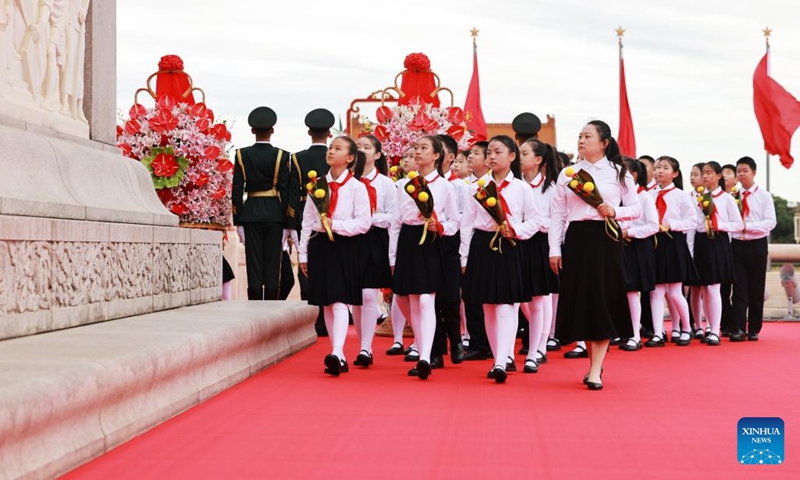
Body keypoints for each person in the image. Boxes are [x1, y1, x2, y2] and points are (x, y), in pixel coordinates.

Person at [549, 120, 641, 390]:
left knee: (602, 300)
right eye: (579, 136)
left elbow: (635, 209)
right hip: (576, 240)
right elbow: (558, 215)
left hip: (606, 240)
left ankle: (594, 370)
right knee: (585, 303)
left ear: (604, 143)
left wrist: (615, 211)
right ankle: (595, 365)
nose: (581, 140)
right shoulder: (568, 174)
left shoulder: (619, 173)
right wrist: (554, 249)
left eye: (588, 136)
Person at [461, 135, 539, 383]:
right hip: (483, 245)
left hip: (510, 244)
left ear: (512, 157)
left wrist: (516, 230)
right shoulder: (477, 187)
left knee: (506, 306)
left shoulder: (522, 188)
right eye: (490, 153)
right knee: (488, 307)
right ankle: (499, 357)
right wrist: (463, 256)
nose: (492, 157)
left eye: (498, 152)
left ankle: (501, 361)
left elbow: (535, 220)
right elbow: (467, 223)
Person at [299, 136, 371, 376]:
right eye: (330, 148)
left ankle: (338, 351)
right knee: (327, 302)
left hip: (345, 245)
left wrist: (335, 224)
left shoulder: (357, 187)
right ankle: (336, 353)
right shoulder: (316, 185)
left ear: (349, 158)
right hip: (320, 245)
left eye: (337, 148)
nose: (331, 152)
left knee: (340, 299)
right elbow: (307, 221)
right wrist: (302, 254)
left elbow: (364, 222)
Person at [389, 135, 459, 380]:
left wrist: (440, 227)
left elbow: (455, 222)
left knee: (427, 301)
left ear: (437, 155)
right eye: (415, 148)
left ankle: (426, 357)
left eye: (423, 148)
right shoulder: (403, 186)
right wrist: (392, 257)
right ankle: (421, 347)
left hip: (432, 242)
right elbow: (396, 222)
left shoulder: (445, 186)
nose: (417, 152)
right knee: (408, 300)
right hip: (409, 241)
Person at [232, 106, 291, 300]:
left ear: (252, 131)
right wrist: (287, 221)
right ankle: (271, 304)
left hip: (250, 212)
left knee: (254, 262)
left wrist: (238, 220)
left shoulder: (241, 154)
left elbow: (237, 189)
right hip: (275, 213)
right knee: (273, 262)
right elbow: (285, 189)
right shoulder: (282, 156)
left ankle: (255, 303)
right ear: (272, 130)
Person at [350, 135, 395, 367]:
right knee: (354, 298)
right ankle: (362, 343)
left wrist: (370, 218)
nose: (362, 151)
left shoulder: (387, 184)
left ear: (377, 154)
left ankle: (367, 347)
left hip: (375, 239)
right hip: (350, 240)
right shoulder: (347, 181)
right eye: (358, 147)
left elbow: (394, 216)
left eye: (367, 147)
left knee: (369, 294)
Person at [288, 108, 334, 334]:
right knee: (329, 264)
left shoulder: (297, 158)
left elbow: (290, 193)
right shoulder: (336, 157)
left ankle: (311, 314)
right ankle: (327, 316)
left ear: (309, 132)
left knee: (305, 264)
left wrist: (290, 223)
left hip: (302, 215)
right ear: (329, 133)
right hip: (332, 216)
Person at [644, 156, 697, 347]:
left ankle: (686, 328)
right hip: (655, 243)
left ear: (674, 173)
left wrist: (671, 225)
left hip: (673, 242)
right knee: (656, 292)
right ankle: (658, 333)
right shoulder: (649, 195)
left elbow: (692, 221)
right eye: (657, 167)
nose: (659, 171)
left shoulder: (681, 195)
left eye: (665, 168)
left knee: (675, 292)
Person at [690, 161, 743, 346]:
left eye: (709, 173)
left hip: (718, 241)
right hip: (702, 241)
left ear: (719, 176)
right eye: (703, 173)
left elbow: (738, 225)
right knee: (704, 288)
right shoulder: (698, 197)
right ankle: (707, 327)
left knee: (714, 288)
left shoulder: (726, 198)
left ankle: (715, 330)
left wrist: (719, 226)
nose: (704, 176)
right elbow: (693, 224)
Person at [518, 138, 560, 371]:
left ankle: (539, 346)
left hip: (539, 244)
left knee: (540, 297)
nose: (519, 157)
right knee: (520, 297)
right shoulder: (515, 185)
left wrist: (533, 223)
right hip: (517, 242)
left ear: (538, 160)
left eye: (524, 153)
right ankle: (538, 340)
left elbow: (557, 221)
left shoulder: (551, 189)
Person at [730, 156, 776, 341]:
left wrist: (747, 226)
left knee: (756, 288)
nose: (741, 174)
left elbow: (770, 222)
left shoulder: (764, 196)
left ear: (754, 172)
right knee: (739, 288)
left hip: (757, 244)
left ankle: (754, 328)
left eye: (744, 171)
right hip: (737, 245)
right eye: (738, 171)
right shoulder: (732, 195)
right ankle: (738, 328)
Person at [432, 134, 467, 367]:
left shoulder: (458, 186)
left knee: (450, 298)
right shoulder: (417, 183)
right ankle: (435, 350)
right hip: (427, 243)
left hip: (451, 243)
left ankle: (455, 339)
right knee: (429, 298)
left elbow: (464, 219)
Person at [619, 158, 659, 351]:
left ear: (633, 175)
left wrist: (629, 232)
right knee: (620, 292)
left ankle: (635, 334)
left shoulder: (644, 197)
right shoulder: (617, 195)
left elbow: (653, 225)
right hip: (619, 246)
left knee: (632, 291)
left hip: (637, 247)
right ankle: (621, 332)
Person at [462, 141, 492, 361]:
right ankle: (478, 342)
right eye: (470, 153)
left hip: (496, 240)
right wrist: (463, 253)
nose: (470, 157)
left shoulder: (492, 184)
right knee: (471, 296)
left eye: (477, 153)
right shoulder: (465, 185)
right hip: (473, 242)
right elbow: (466, 222)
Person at [511, 112, 542, 178]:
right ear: (536, 136)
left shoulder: (510, 158)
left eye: (524, 154)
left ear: (516, 136)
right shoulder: (547, 155)